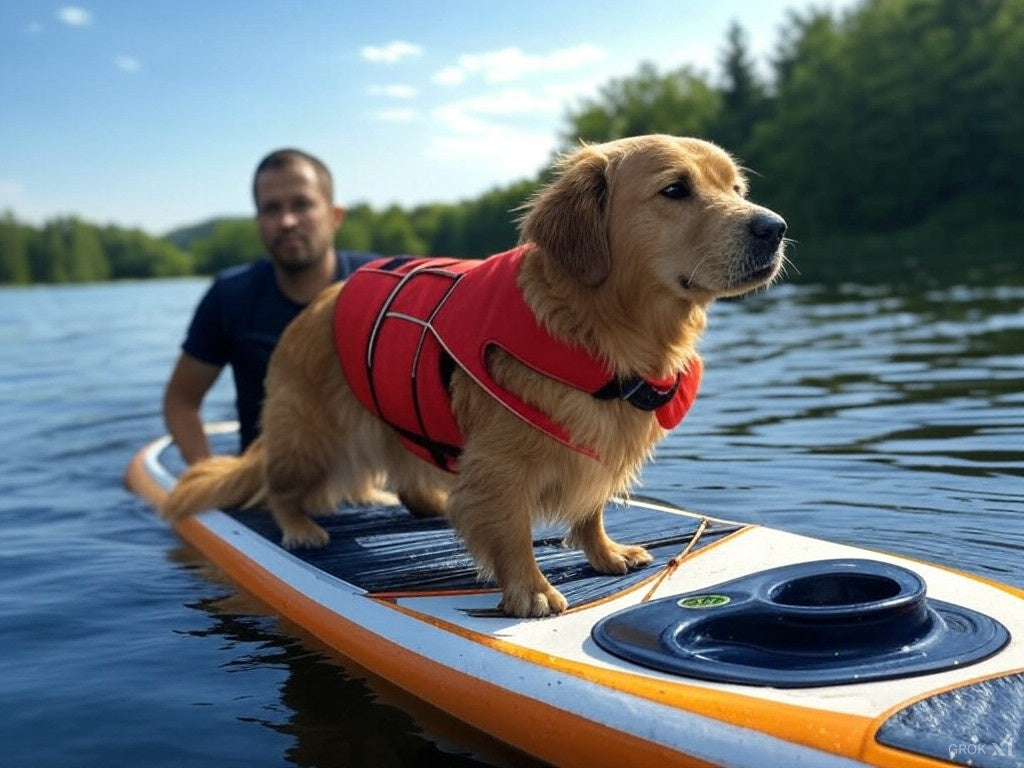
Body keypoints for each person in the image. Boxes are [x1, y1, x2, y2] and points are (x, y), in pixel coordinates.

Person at [163, 148, 378, 463]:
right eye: (271, 209)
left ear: (335, 216)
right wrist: (209, 482)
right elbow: (181, 401)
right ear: (259, 221)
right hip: (271, 485)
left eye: (302, 204)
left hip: (374, 478)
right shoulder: (229, 296)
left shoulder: (379, 288)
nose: (287, 221)